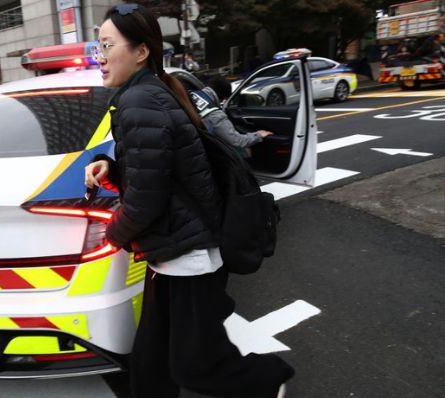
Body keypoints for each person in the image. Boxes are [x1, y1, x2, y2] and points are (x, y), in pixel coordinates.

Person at [84, 4, 293, 398]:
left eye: (107, 46)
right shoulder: (152, 91)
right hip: (176, 245)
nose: (100, 57)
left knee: (193, 364)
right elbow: (161, 170)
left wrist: (111, 234)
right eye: (98, 47)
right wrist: (108, 168)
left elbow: (147, 199)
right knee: (152, 356)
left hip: (187, 254)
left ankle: (268, 379)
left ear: (141, 51)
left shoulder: (139, 102)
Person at [191, 75, 273, 155]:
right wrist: (258, 135)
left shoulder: (190, 95)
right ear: (223, 98)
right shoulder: (214, 114)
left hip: (188, 147)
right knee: (243, 152)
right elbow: (237, 141)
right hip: (199, 153)